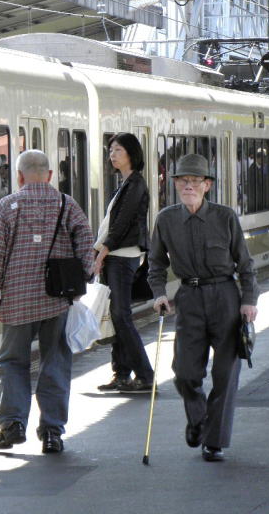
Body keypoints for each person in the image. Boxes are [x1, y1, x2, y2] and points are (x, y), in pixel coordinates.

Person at [0, 150, 94, 454]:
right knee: (55, 362)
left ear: (19, 176)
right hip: (57, 299)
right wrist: (82, 280)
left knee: (12, 361)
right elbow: (86, 243)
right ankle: (52, 433)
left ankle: (12, 425)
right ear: (49, 175)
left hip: (16, 300)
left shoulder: (7, 205)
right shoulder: (66, 203)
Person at [148, 154, 258, 463]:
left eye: (195, 181)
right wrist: (159, 295)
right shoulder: (166, 219)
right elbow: (155, 264)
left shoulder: (225, 217)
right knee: (184, 372)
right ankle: (198, 418)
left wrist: (249, 300)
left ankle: (214, 441)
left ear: (207, 185)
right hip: (189, 299)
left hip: (226, 298)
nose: (188, 186)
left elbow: (245, 263)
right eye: (182, 181)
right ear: (175, 185)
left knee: (225, 374)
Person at [93, 133, 155, 393]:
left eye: (118, 150)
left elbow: (121, 224)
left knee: (121, 315)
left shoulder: (136, 184)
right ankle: (121, 374)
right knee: (117, 316)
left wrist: (102, 252)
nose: (112, 155)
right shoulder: (125, 184)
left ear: (131, 153)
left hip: (122, 257)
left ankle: (145, 375)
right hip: (115, 256)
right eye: (110, 150)